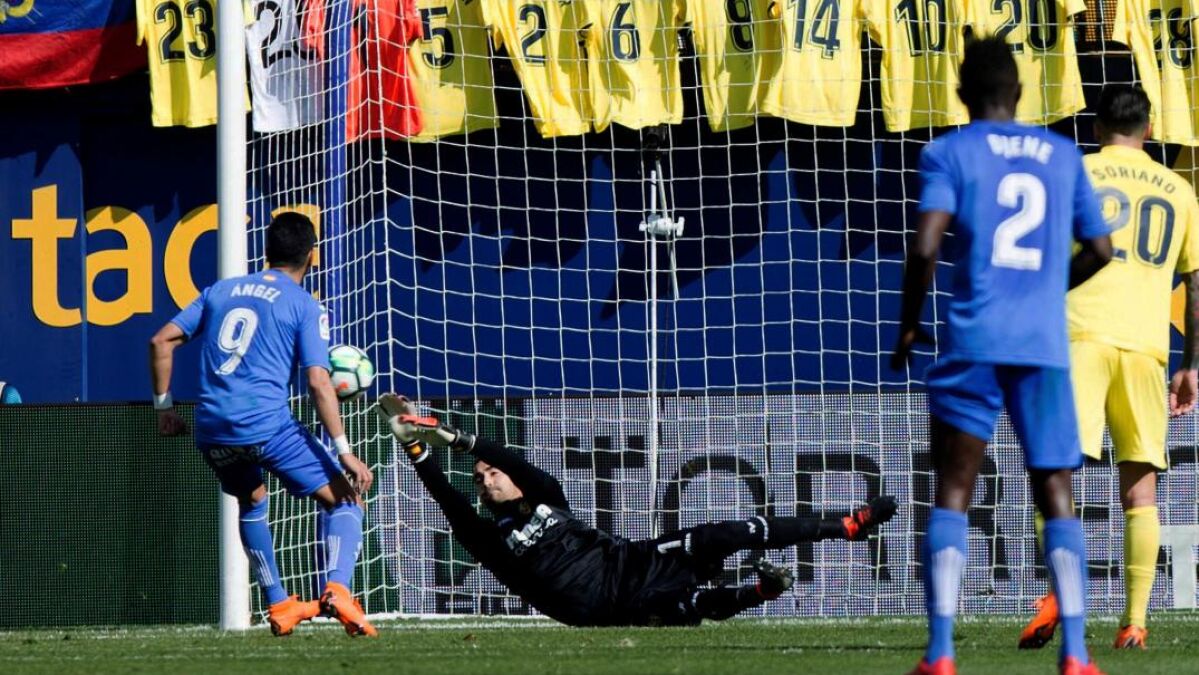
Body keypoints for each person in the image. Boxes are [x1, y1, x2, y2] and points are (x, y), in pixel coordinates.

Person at [891, 36, 1113, 675]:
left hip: (975, 340)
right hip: (1042, 346)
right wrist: (1047, 292)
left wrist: (908, 326)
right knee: (1055, 488)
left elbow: (926, 246)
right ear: (1019, 92)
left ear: (961, 94)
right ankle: (1076, 653)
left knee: (954, 488)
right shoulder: (1063, 154)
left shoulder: (947, 152)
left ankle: (941, 652)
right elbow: (1101, 249)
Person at [375, 393, 897, 627]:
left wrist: (458, 439)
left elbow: (517, 463)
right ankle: (761, 592)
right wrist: (414, 449)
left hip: (628, 562)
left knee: (721, 533)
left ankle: (844, 525)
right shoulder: (490, 542)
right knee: (687, 606)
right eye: (480, 479)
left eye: (492, 472)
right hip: (598, 608)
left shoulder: (547, 496)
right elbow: (449, 503)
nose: (487, 480)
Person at [1018, 84, 1199, 651]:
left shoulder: (1074, 171)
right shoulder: (1180, 189)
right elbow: (1195, 285)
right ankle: (1135, 623)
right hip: (1146, 347)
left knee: (1055, 474)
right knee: (1141, 491)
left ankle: (1060, 591)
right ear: (1150, 130)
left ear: (1096, 129)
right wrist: (1190, 366)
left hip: (1078, 336)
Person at [149, 212, 376, 637]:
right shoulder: (304, 304)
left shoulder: (220, 290)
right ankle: (338, 590)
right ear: (312, 256)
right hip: (267, 427)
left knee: (252, 501)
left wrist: (164, 409)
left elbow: (161, 340)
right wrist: (344, 450)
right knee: (346, 502)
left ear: (266, 251)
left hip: (212, 427)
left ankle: (279, 603)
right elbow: (318, 381)